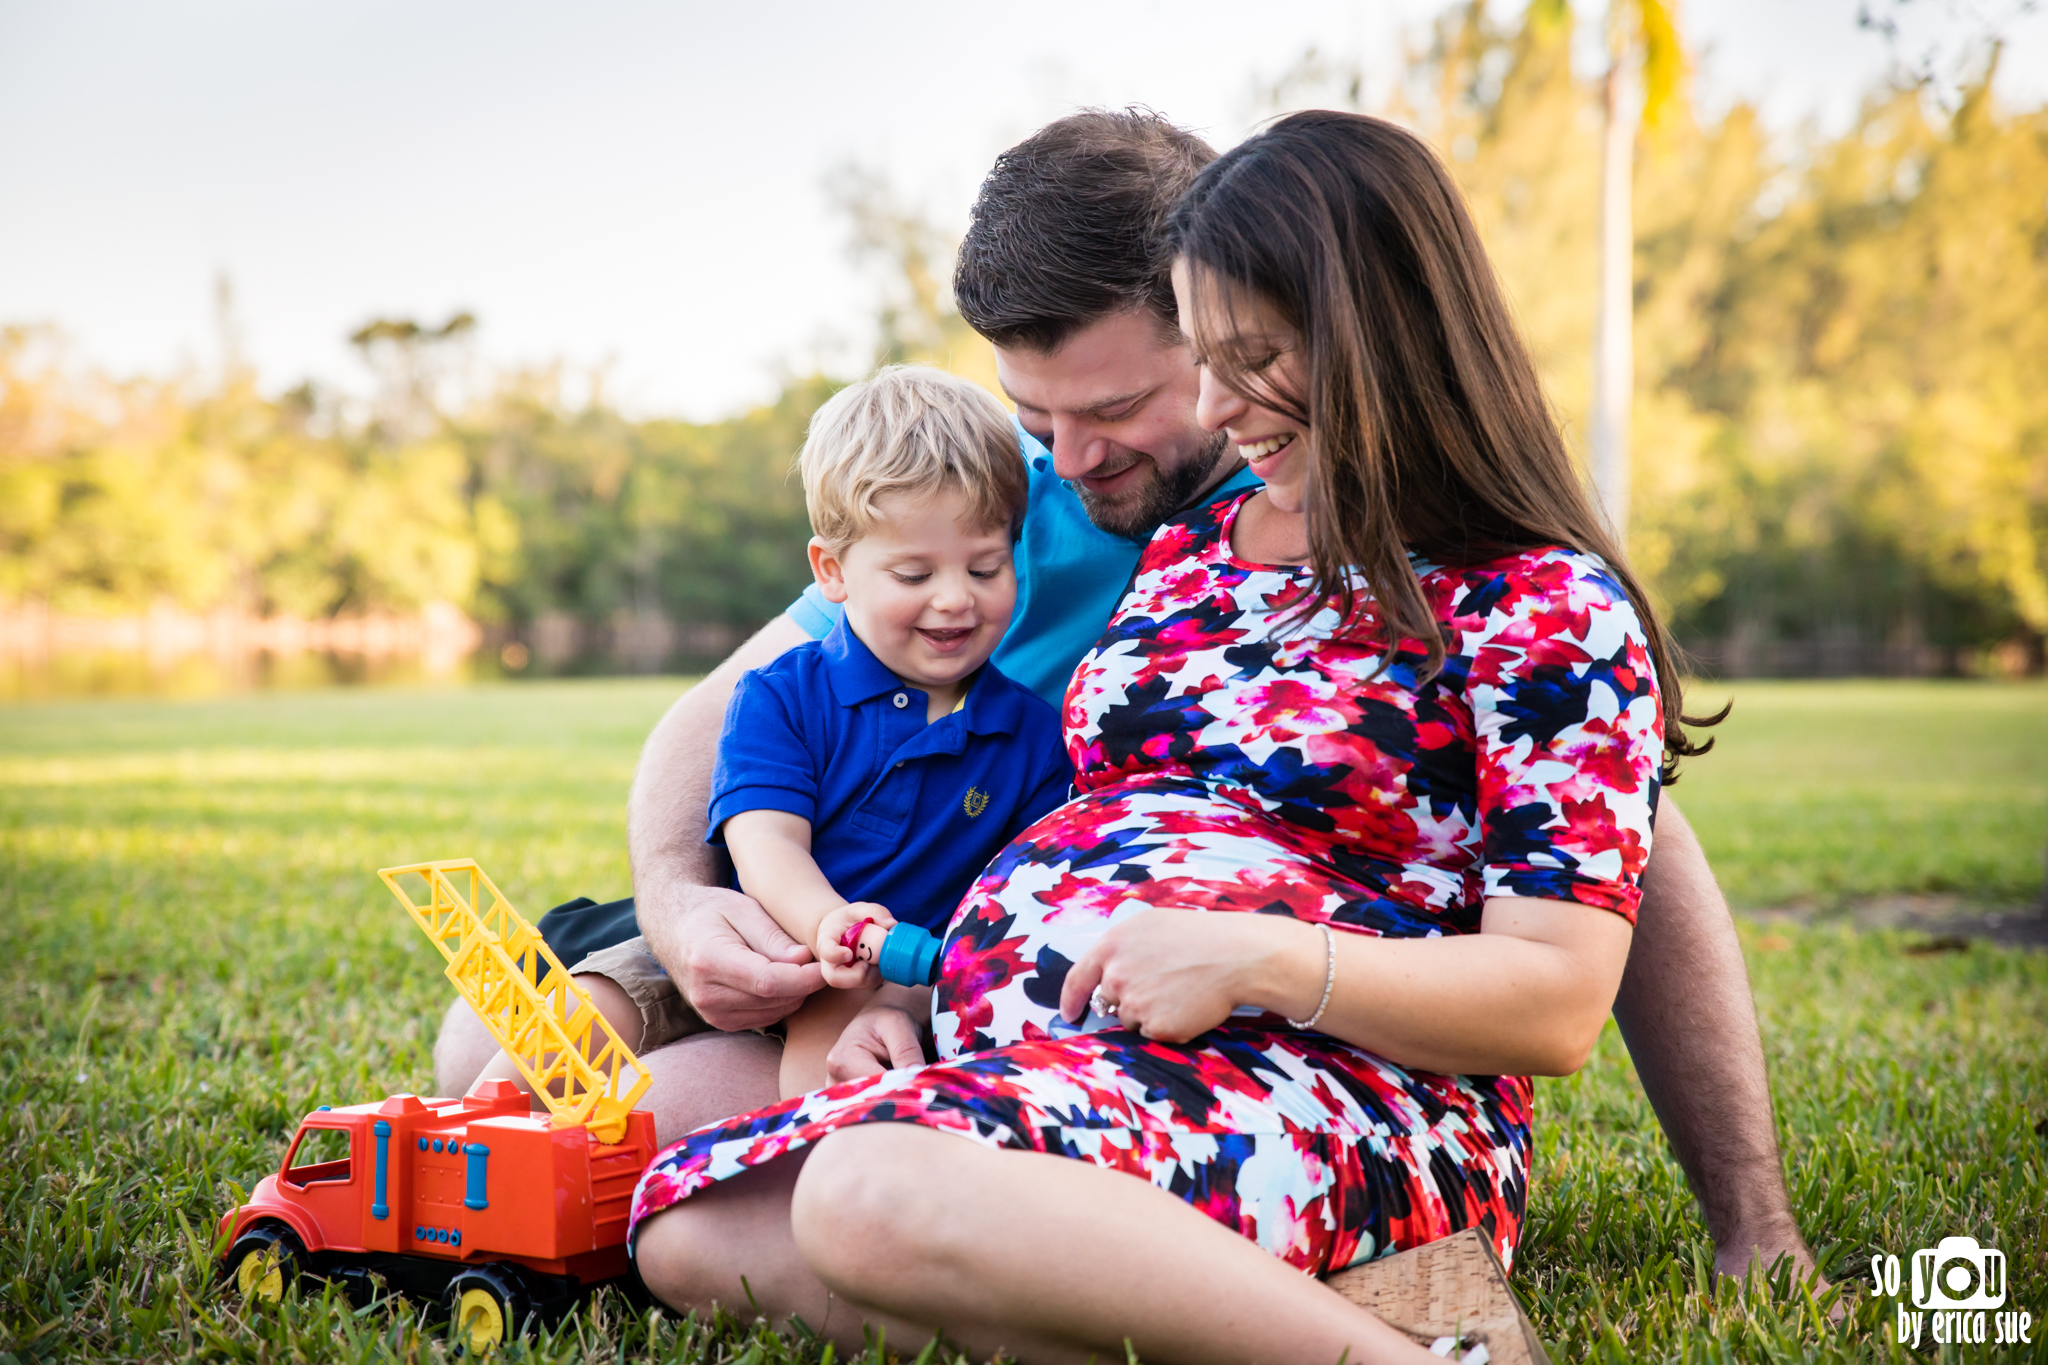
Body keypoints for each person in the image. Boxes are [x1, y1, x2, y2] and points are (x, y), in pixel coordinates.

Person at [433, 107, 1817, 1285]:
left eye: (1122, 404)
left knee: (795, 1197)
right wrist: (691, 909)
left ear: (1246, 321)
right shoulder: (1039, 510)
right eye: (1038, 415)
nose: (1071, 459)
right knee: (553, 1119)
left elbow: (1604, 852)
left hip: (1212, 1018)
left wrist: (1753, 1222)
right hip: (878, 909)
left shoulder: (1481, 581)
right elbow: (730, 712)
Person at [711, 365, 1069, 1097]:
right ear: (833, 570)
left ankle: (812, 1181)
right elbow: (765, 838)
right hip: (760, 940)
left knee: (831, 1048)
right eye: (913, 574)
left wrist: (885, 973)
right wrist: (826, 922)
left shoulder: (1032, 738)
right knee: (594, 1002)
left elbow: (1016, 893)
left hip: (882, 977)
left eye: (985, 566)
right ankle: (473, 1152)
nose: (954, 599)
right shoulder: (783, 695)